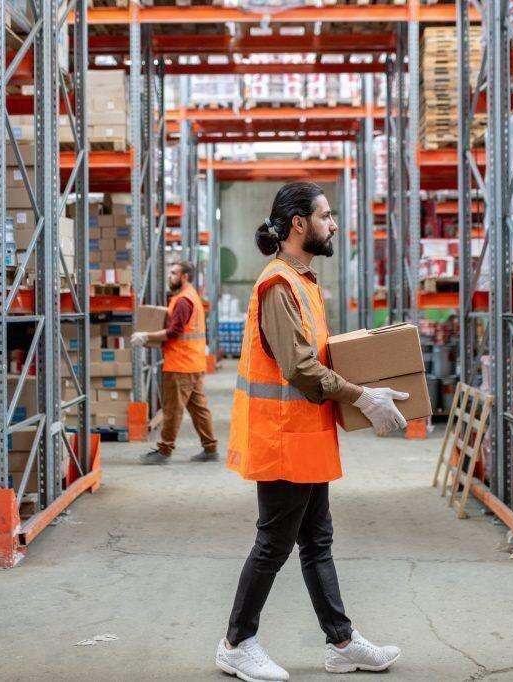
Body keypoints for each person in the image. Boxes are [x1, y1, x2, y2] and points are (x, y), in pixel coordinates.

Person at [215, 182, 407, 682]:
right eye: (326, 216)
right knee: (273, 545)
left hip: (305, 436)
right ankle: (236, 643)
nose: (334, 225)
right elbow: (300, 368)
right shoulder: (278, 285)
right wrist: (361, 396)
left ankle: (341, 642)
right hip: (282, 438)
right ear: (299, 223)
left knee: (316, 541)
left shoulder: (303, 280)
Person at [130, 261, 218, 464]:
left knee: (172, 409)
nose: (170, 276)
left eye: (174, 273)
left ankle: (165, 451)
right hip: (193, 363)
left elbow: (174, 332)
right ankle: (210, 448)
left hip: (180, 364)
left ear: (184, 276)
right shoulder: (189, 296)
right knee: (199, 409)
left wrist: (146, 336)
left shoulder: (182, 301)